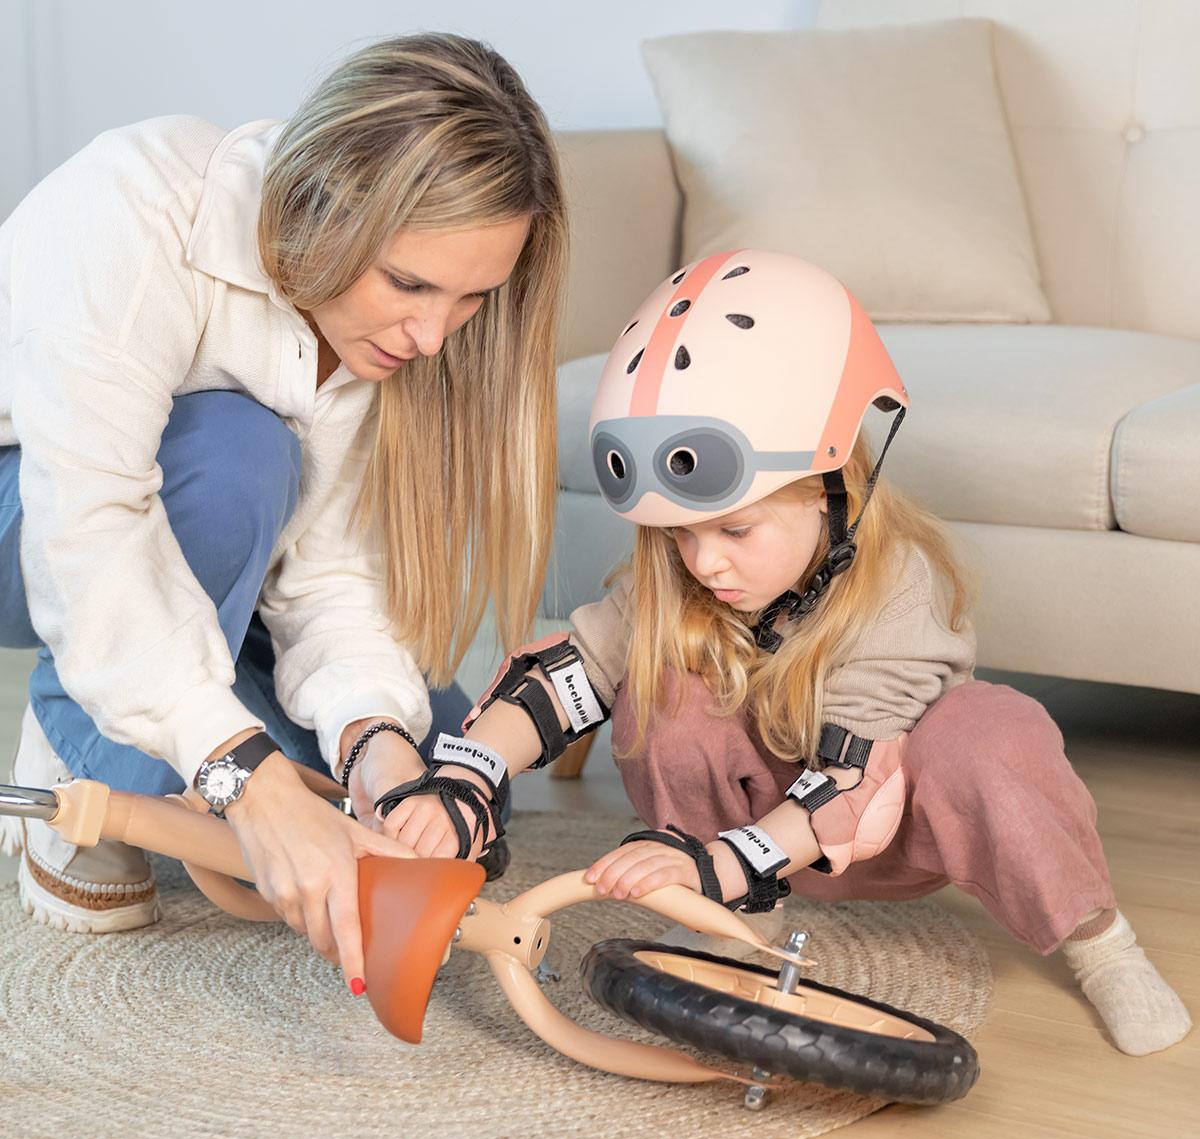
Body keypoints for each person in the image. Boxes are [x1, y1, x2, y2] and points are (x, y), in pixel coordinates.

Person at [441, 249, 1191, 1057]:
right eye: (678, 534)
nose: (705, 563)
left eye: (734, 530)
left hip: (886, 822)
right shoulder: (683, 576)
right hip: (745, 850)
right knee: (664, 682)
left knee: (993, 734)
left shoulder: (898, 584)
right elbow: (570, 677)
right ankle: (743, 919)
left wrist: (725, 863)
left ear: (833, 490)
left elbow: (852, 787)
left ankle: (1099, 940)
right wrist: (463, 776)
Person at [0, 33, 566, 997]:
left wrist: (373, 748)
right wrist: (246, 783)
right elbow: (85, 519)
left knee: (443, 769)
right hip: (43, 526)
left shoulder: (398, 343)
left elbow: (331, 578)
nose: (433, 337)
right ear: (322, 207)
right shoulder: (135, 209)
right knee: (238, 453)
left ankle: (177, 726)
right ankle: (76, 752)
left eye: (473, 298)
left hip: (202, 557)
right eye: (410, 284)